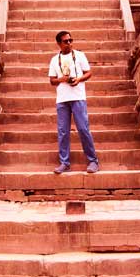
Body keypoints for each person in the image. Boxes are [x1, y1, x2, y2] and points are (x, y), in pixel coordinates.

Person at [48, 31, 99, 174]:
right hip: (62, 99)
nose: (69, 43)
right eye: (66, 41)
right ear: (59, 43)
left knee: (83, 129)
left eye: (71, 40)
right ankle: (64, 163)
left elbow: (88, 72)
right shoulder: (54, 60)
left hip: (78, 97)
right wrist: (61, 80)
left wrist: (79, 79)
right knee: (63, 132)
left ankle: (93, 161)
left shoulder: (80, 55)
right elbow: (52, 80)